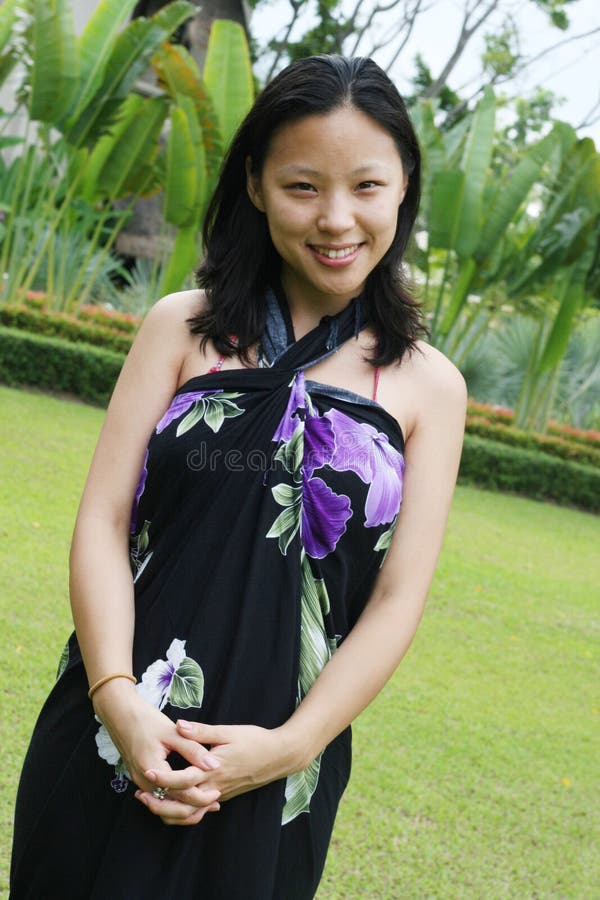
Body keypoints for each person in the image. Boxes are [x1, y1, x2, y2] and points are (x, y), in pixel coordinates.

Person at [10, 55, 466, 899]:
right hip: (117, 727)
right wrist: (117, 699)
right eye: (303, 186)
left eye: (367, 186)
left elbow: (399, 599)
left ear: (404, 188)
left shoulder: (429, 387)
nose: (337, 219)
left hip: (275, 770)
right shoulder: (178, 328)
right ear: (254, 184)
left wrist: (288, 748)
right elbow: (104, 522)